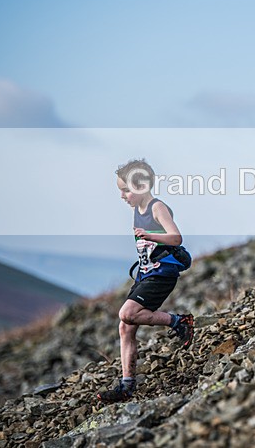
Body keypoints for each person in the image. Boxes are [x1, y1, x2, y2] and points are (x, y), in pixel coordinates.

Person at [97, 159, 194, 404]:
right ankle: (127, 385)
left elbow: (176, 237)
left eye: (126, 190)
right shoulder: (136, 210)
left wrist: (151, 235)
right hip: (145, 273)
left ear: (141, 186)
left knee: (127, 313)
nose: (122, 196)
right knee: (125, 326)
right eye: (120, 190)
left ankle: (178, 321)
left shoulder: (157, 207)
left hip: (162, 273)